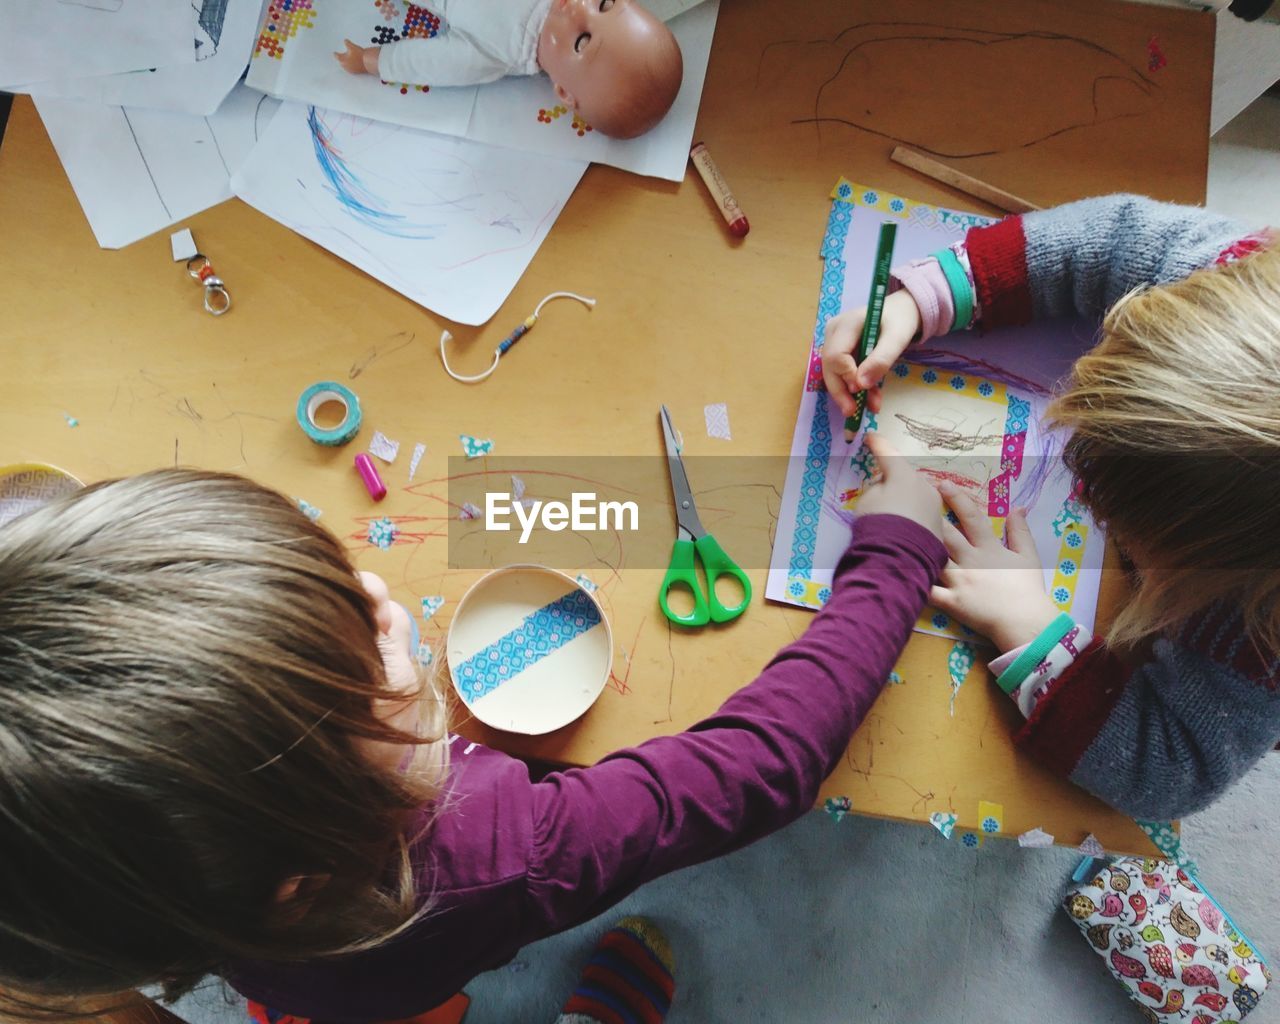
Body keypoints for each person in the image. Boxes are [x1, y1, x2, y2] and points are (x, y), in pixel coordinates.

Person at [0, 456, 943, 1021]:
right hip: (397, 977)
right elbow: (763, 767)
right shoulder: (497, 856)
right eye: (375, 670)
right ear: (307, 866)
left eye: (341, 592)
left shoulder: (115, 886)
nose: (378, 597)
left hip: (287, 973)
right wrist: (897, 546)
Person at [821, 193, 1280, 822]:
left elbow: (1170, 771)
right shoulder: (1233, 285)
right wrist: (917, 303)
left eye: (1117, 515)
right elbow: (1113, 239)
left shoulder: (1259, 633)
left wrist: (1027, 624)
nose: (1077, 486)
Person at [334, 0, 683, 139]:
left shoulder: (498, 51)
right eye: (604, 3)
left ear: (562, 91)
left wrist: (373, 60)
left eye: (582, 40)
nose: (580, 7)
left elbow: (433, 62)